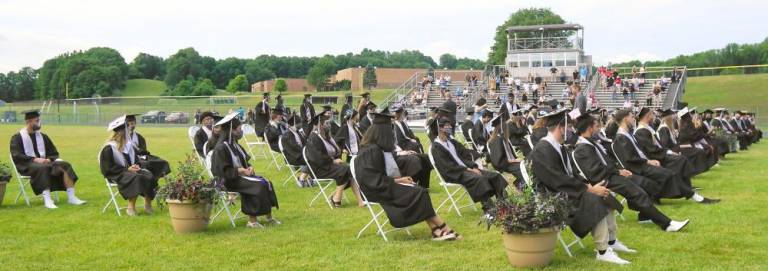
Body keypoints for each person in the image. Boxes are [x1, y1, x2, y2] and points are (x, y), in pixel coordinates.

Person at [528, 109, 632, 265]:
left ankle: (611, 241)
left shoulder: (558, 146)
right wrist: (589, 189)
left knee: (604, 193)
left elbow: (572, 174)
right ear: (560, 127)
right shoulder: (542, 150)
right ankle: (602, 251)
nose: (571, 131)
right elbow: (558, 180)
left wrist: (589, 185)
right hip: (554, 195)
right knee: (595, 199)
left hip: (567, 189)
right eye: (568, 127)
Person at [573, 111, 689, 231]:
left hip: (611, 176)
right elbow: (595, 172)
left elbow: (606, 164)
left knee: (642, 189)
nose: (598, 129)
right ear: (589, 128)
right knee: (638, 193)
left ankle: (655, 219)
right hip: (604, 181)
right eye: (596, 126)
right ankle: (667, 224)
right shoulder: (582, 148)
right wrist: (618, 172)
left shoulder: (589, 143)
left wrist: (619, 171)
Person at [353, 111, 461, 241]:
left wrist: (399, 179)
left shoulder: (377, 148)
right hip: (376, 190)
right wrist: (396, 182)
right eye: (390, 129)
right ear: (383, 131)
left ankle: (436, 229)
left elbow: (379, 176)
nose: (392, 133)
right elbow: (371, 180)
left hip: (382, 185)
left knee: (419, 190)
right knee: (418, 192)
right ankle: (442, 226)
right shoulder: (370, 151)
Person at [611, 109, 719, 204]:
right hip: (638, 168)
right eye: (631, 117)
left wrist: (649, 160)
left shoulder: (627, 134)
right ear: (625, 119)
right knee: (670, 174)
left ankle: (692, 195)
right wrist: (648, 162)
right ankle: (694, 196)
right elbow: (630, 159)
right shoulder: (621, 137)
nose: (633, 119)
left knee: (671, 173)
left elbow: (640, 152)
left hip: (643, 164)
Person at [210, 112, 281, 228]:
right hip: (227, 181)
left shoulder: (234, 145)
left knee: (266, 182)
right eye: (238, 129)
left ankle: (269, 217)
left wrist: (249, 167)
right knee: (256, 186)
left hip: (239, 177)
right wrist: (241, 171)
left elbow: (243, 161)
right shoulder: (221, 148)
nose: (240, 131)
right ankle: (252, 221)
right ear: (231, 131)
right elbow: (220, 171)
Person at [431, 118, 507, 218]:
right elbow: (448, 166)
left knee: (495, 176)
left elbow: (464, 156)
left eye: (450, 125)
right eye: (447, 125)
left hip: (466, 169)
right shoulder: (436, 147)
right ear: (440, 128)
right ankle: (489, 210)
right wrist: (467, 169)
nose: (450, 127)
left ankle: (502, 205)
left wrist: (473, 166)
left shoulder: (451, 142)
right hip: (454, 173)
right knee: (479, 179)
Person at [9, 109, 85, 209]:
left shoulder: (43, 136)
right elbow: (17, 155)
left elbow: (53, 152)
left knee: (65, 165)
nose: (39, 123)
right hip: (27, 165)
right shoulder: (17, 137)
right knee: (42, 168)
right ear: (29, 122)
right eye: (37, 121)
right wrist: (35, 159)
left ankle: (72, 197)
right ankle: (47, 200)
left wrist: (49, 159)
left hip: (46, 163)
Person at [99, 115, 157, 216]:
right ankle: (131, 207)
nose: (129, 133)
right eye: (126, 131)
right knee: (136, 177)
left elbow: (135, 160)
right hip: (116, 174)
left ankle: (147, 204)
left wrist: (136, 166)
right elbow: (107, 169)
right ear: (121, 133)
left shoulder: (128, 145)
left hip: (129, 171)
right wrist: (127, 169)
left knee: (149, 175)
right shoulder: (109, 148)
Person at [305, 111, 363, 208]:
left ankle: (358, 200)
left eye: (329, 123)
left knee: (350, 169)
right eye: (326, 123)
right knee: (346, 170)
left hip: (328, 165)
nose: (329, 125)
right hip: (319, 168)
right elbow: (317, 157)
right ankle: (336, 198)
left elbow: (336, 151)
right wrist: (332, 160)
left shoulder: (326, 137)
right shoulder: (314, 137)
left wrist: (338, 155)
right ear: (320, 124)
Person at [125, 114, 171, 179]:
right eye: (130, 123)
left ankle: (158, 178)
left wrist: (137, 148)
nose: (132, 126)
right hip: (131, 160)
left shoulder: (139, 137)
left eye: (133, 123)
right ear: (126, 124)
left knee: (161, 161)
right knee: (147, 164)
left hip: (142, 157)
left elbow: (144, 151)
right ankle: (151, 180)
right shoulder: (122, 137)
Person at [486, 114, 524, 188]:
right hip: (505, 165)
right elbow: (498, 160)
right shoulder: (496, 140)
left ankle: (522, 185)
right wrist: (514, 160)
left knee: (526, 165)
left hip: (510, 162)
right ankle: (521, 186)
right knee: (523, 169)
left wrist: (515, 160)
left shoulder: (502, 138)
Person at [280, 114, 311, 187]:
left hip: (300, 154)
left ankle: (312, 178)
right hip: (293, 157)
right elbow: (295, 148)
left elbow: (305, 143)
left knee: (317, 156)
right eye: (298, 124)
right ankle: (301, 179)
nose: (300, 125)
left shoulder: (296, 132)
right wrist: (307, 151)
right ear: (293, 124)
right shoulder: (287, 135)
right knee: (313, 158)